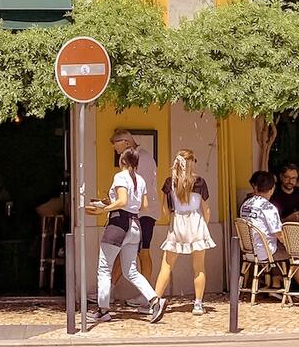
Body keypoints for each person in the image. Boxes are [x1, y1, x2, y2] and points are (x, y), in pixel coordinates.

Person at [85, 147, 166, 324]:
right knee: (131, 270)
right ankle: (154, 300)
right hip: (135, 225)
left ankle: (103, 310)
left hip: (118, 224)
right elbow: (143, 205)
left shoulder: (120, 177)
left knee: (104, 268)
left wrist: (103, 209)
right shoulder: (141, 180)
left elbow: (122, 201)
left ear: (122, 161)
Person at [153, 150, 216, 315]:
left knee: (166, 266)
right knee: (199, 267)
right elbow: (206, 209)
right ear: (191, 163)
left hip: (178, 224)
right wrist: (204, 224)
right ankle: (198, 304)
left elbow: (165, 211)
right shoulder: (200, 182)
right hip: (196, 223)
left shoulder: (170, 183)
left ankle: (155, 302)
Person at [109, 129, 159, 309]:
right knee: (125, 253)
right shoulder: (141, 157)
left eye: (115, 145)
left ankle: (146, 296)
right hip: (136, 214)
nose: (115, 149)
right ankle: (109, 290)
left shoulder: (142, 158)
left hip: (142, 215)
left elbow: (138, 190)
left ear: (125, 142)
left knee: (143, 253)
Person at [238, 171, 289, 293]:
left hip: (248, 250)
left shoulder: (245, 204)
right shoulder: (269, 208)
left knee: (279, 246)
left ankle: (275, 284)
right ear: (272, 189)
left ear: (256, 187)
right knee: (296, 252)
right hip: (265, 252)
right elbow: (278, 233)